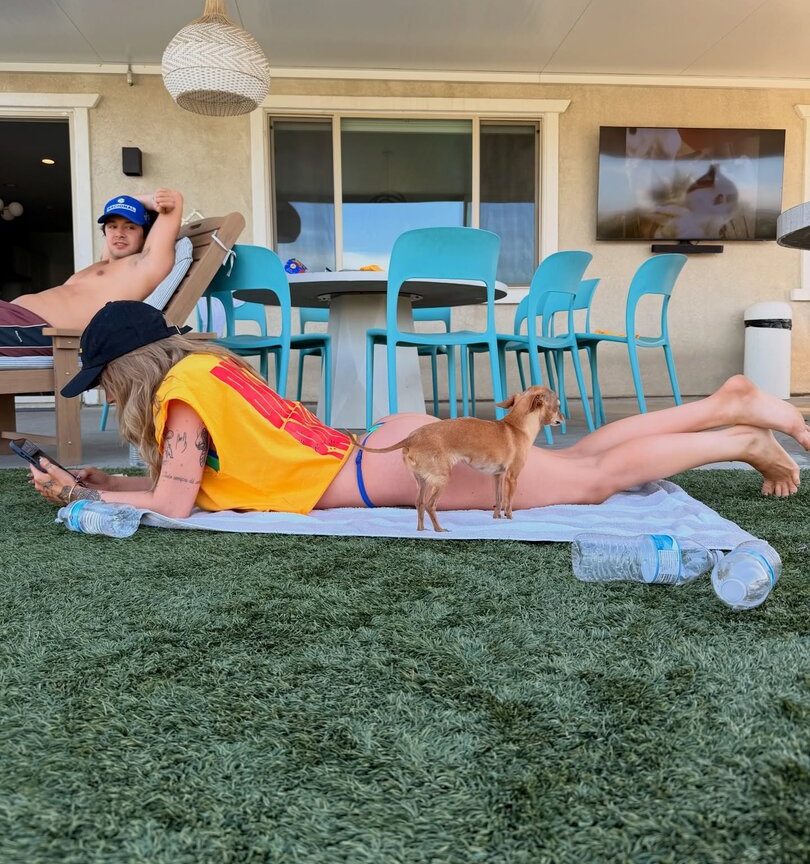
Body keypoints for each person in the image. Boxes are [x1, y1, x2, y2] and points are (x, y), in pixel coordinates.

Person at [29, 301, 810, 519]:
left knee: (592, 479)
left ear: (130, 369)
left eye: (104, 379)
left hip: (389, 472)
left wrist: (78, 497)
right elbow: (188, 486)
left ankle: (736, 438)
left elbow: (175, 505)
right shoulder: (210, 370)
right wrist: (108, 482)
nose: (104, 393)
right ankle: (724, 403)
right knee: (575, 459)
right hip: (379, 450)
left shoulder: (181, 399)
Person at [0, 189, 184, 357]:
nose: (119, 233)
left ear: (145, 235)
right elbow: (119, 202)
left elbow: (174, 200)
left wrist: (152, 201)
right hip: (13, 318)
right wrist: (133, 204)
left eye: (130, 227)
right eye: (112, 226)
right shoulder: (106, 263)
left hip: (34, 331)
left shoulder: (144, 265)